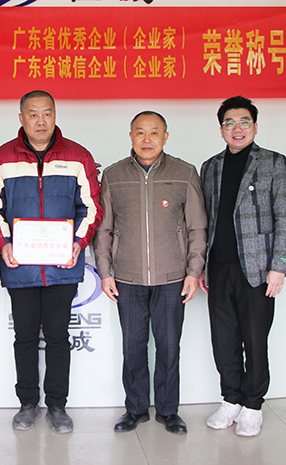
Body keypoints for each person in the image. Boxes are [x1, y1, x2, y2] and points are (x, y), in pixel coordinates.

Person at [0, 90, 103, 434]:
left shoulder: (78, 157)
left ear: (55, 115)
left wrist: (78, 243)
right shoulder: (1, 159)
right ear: (21, 118)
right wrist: (4, 243)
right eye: (32, 114)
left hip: (62, 267)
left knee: (58, 338)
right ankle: (27, 403)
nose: (40, 121)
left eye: (47, 113)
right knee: (24, 338)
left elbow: (91, 207)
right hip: (19, 266)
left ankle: (58, 406)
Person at [94, 111, 207, 435]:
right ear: (130, 136)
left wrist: (193, 271)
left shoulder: (185, 173)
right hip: (127, 278)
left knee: (169, 348)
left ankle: (169, 411)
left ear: (165, 136)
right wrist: (105, 271)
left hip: (172, 278)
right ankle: (136, 409)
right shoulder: (114, 175)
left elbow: (197, 226)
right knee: (133, 347)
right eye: (140, 132)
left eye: (154, 132)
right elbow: (104, 228)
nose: (147, 139)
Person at [199, 96, 286, 437]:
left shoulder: (273, 162)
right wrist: (202, 266)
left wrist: (279, 266)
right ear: (221, 128)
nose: (236, 129)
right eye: (229, 122)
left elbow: (284, 216)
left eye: (243, 122)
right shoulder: (210, 167)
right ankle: (231, 400)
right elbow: (206, 220)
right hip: (218, 267)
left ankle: (253, 405)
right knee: (223, 339)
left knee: (254, 339)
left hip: (257, 269)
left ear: (254, 126)